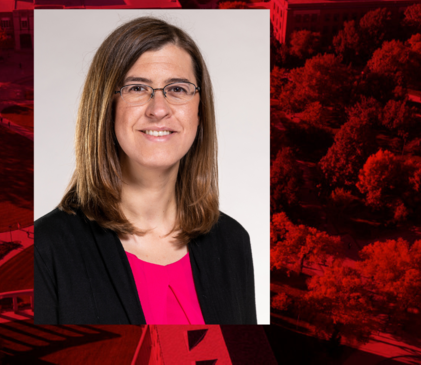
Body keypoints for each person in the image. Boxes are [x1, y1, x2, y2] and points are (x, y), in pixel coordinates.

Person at [34, 17, 256, 325]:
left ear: (199, 111)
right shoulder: (46, 248)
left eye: (177, 89)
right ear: (105, 106)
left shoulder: (232, 244)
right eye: (137, 88)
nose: (158, 109)